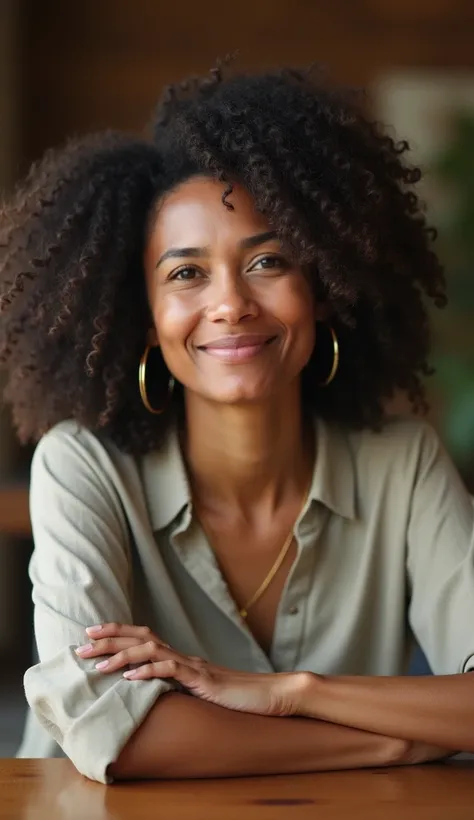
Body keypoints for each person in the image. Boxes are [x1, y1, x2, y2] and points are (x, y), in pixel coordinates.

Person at [1, 63, 474, 785]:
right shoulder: (84, 465)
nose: (230, 305)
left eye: (268, 260)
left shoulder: (401, 464)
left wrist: (291, 695)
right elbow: (115, 740)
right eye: (187, 274)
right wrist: (396, 739)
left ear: (324, 286)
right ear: (142, 317)